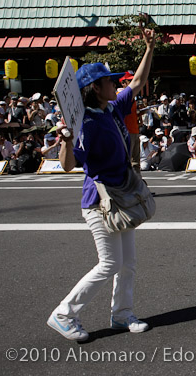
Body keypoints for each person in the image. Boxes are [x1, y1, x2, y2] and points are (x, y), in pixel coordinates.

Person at [47, 28, 155, 342]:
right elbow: (68, 165)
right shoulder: (87, 125)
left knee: (128, 264)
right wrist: (66, 139)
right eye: (110, 80)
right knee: (109, 263)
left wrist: (150, 47)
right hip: (100, 202)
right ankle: (64, 314)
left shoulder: (112, 107)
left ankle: (122, 316)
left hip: (121, 196)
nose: (117, 83)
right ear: (96, 88)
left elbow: (136, 82)